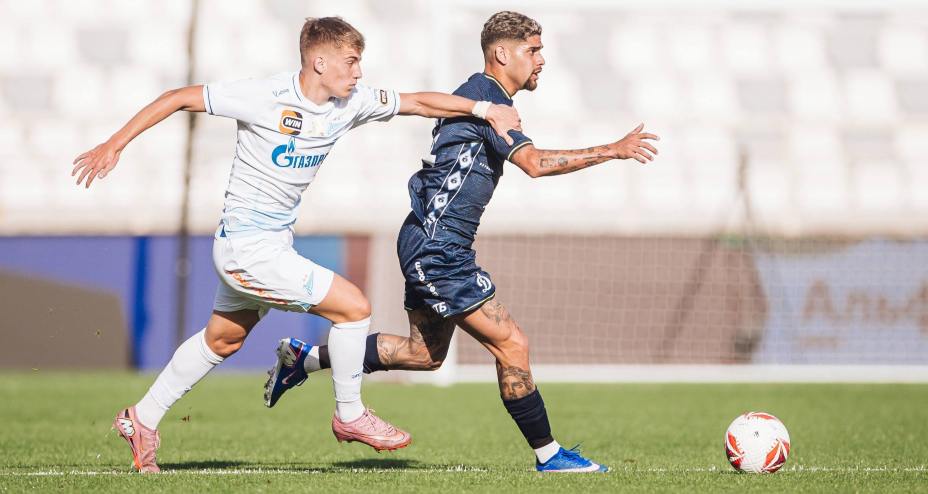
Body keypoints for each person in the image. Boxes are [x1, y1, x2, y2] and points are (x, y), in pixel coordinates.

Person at [71, 16, 522, 473]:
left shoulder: (350, 102)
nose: (359, 72)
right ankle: (350, 415)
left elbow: (419, 102)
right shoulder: (264, 96)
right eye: (351, 61)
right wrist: (114, 144)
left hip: (271, 245)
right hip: (247, 248)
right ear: (319, 61)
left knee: (223, 340)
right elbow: (177, 97)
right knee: (354, 308)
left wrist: (484, 110)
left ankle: (141, 419)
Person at [266, 11, 661, 473]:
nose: (541, 60)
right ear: (502, 53)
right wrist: (613, 149)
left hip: (429, 239)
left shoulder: (482, 97)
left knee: (424, 354)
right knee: (512, 344)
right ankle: (550, 455)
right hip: (438, 247)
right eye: (533, 50)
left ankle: (305, 359)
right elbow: (533, 163)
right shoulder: (486, 97)